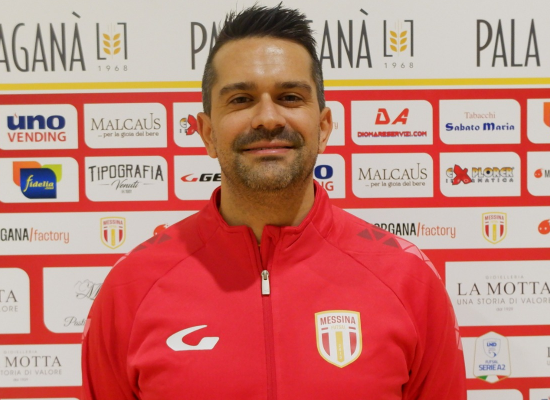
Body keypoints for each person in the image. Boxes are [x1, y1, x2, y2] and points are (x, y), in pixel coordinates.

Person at [81, 4, 466, 399]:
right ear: (207, 133)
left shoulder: (408, 280)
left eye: (290, 96)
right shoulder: (131, 288)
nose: (267, 118)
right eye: (240, 99)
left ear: (324, 127)